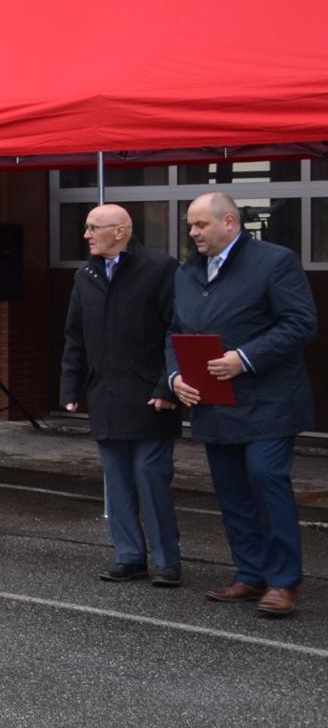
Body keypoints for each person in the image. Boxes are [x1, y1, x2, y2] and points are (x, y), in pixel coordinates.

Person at [168, 192, 317, 617]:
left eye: (200, 224)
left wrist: (244, 358)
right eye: (190, 225)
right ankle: (250, 575)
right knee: (231, 491)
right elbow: (174, 332)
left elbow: (301, 323)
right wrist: (176, 376)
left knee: (266, 478)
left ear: (230, 222)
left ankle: (284, 582)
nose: (192, 232)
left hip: (270, 401)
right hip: (215, 403)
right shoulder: (188, 272)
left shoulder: (275, 261)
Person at [59, 204, 183, 587]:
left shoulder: (160, 269)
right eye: (87, 227)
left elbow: (176, 331)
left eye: (94, 227)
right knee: (116, 481)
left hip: (150, 395)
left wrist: (168, 385)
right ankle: (129, 556)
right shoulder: (86, 275)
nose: (86, 235)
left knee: (150, 477)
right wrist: (70, 386)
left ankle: (166, 562)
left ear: (122, 231)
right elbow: (74, 337)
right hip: (105, 393)